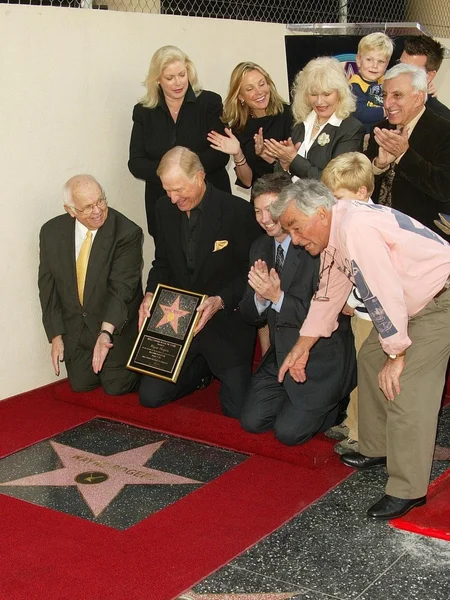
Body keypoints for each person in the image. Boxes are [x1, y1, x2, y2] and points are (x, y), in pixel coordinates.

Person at [270, 178, 450, 520]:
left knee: (406, 387)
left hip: (441, 299)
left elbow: (382, 290)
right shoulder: (338, 226)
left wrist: (397, 356)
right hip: (412, 301)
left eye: (295, 227)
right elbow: (330, 290)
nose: (294, 238)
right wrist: (304, 345)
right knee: (369, 359)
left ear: (320, 213)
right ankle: (377, 447)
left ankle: (407, 489)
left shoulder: (355, 229)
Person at [138, 147, 261, 418]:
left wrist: (220, 300)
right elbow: (162, 263)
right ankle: (200, 372)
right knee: (150, 397)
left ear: (200, 177)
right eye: (167, 190)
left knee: (236, 410)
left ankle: (213, 365)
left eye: (178, 189)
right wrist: (149, 295)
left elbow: (250, 273)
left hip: (224, 321)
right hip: (178, 317)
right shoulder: (163, 208)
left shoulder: (237, 211)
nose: (172, 198)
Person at [239, 174, 356, 445]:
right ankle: (297, 405)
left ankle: (335, 403)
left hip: (319, 354)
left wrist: (277, 297)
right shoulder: (260, 246)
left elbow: (328, 313)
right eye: (257, 211)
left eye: (270, 210)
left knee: (288, 434)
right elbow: (248, 315)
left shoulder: (314, 244)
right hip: (280, 353)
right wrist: (260, 298)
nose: (264, 218)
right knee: (252, 421)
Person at [38, 174, 143, 395]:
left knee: (116, 386)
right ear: (71, 210)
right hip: (78, 327)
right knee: (81, 385)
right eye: (88, 207)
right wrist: (56, 335)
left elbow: (121, 290)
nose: (97, 211)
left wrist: (106, 334)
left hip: (114, 326)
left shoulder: (127, 233)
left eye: (100, 201)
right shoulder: (51, 232)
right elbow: (48, 287)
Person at [128, 45, 230, 236]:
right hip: (163, 200)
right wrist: (170, 177)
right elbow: (136, 163)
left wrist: (186, 174)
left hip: (207, 196)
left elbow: (220, 152)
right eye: (169, 78)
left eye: (182, 75)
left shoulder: (209, 102)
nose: (178, 83)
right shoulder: (143, 111)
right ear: (157, 79)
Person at [321, 153, 375, 455]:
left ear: (362, 192)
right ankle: (352, 419)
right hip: (359, 310)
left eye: (338, 197)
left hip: (371, 314)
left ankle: (362, 433)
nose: (333, 205)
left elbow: (369, 273)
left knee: (367, 373)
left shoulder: (366, 224)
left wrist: (354, 301)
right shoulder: (351, 218)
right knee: (357, 368)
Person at [365, 63, 450, 237]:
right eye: (385, 95)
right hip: (377, 232)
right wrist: (377, 166)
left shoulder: (444, 132)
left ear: (419, 98)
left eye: (397, 95)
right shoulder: (380, 130)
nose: (388, 104)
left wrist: (404, 155)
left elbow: (443, 188)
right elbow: (359, 188)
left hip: (422, 237)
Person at [263, 56, 365, 180]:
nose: (319, 101)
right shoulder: (301, 123)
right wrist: (284, 164)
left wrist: (294, 160)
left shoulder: (352, 129)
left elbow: (337, 181)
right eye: (313, 94)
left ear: (340, 93)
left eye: (326, 94)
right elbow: (281, 177)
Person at [207, 62, 293, 190]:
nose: (259, 92)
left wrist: (266, 155)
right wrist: (237, 153)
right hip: (260, 200)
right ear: (240, 96)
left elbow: (299, 169)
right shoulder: (239, 128)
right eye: (249, 89)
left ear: (269, 84)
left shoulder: (290, 115)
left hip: (290, 195)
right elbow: (247, 182)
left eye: (262, 84)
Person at [349, 32, 394, 133]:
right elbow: (360, 113)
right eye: (369, 59)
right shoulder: (354, 85)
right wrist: (386, 111)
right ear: (359, 60)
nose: (374, 65)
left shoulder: (386, 81)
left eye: (381, 61)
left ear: (387, 64)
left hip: (383, 132)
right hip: (362, 134)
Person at [400, 35, 450, 121]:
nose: (399, 72)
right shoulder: (378, 95)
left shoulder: (443, 118)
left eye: (410, 69)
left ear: (429, 76)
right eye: (399, 65)